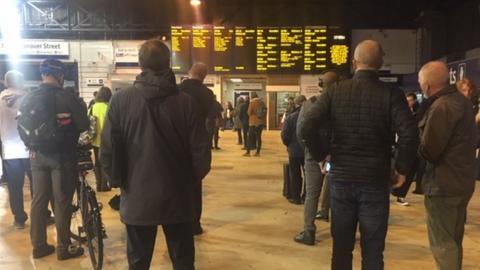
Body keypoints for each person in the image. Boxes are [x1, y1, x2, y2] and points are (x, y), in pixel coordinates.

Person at [299, 40, 418, 269]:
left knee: (341, 247)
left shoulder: (335, 92)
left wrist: (322, 156)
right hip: (375, 179)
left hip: (342, 178)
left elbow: (307, 127)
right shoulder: (391, 94)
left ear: (354, 63)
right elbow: (409, 134)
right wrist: (402, 169)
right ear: (380, 63)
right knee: (373, 248)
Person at [101, 40, 211, 270]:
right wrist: (190, 181)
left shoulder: (120, 101)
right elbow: (201, 153)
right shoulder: (186, 103)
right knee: (183, 261)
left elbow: (108, 149)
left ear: (141, 64)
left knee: (138, 261)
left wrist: (119, 182)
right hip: (178, 195)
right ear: (168, 63)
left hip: (137, 194)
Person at [24, 59, 89, 260]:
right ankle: (63, 247)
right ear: (60, 75)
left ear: (43, 75)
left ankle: (39, 246)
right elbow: (83, 124)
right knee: (62, 202)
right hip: (62, 156)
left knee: (38, 200)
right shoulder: (66, 96)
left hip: (36, 156)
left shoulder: (29, 97)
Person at [418, 61, 477, 270]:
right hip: (463, 182)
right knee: (454, 239)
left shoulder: (441, 106)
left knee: (442, 243)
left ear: (426, 85)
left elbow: (430, 150)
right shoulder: (462, 102)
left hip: (443, 185)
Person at [295, 71, 338, 245]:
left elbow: (301, 132)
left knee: (312, 193)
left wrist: (311, 152)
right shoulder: (341, 104)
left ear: (321, 84)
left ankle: (309, 231)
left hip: (313, 156)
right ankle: (337, 230)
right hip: (334, 157)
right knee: (336, 192)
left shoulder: (310, 104)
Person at [179, 62, 215, 236]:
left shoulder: (177, 90)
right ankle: (194, 225)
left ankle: (177, 222)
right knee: (195, 187)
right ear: (204, 76)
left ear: (189, 72)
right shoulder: (207, 94)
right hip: (197, 147)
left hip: (176, 146)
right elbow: (213, 119)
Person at [0, 71, 33, 229]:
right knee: (37, 184)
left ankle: (19, 218)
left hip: (9, 150)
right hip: (30, 148)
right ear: (21, 82)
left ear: (6, 83)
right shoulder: (29, 98)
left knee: (14, 186)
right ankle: (41, 214)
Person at [392, 92, 422, 206]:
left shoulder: (417, 114)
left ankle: (400, 195)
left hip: (409, 146)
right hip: (396, 145)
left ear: (414, 101)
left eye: (410, 100)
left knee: (407, 170)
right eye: (407, 100)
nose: (408, 102)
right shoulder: (397, 111)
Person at [281, 95, 307, 205]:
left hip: (294, 151)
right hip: (308, 151)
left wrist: (289, 145)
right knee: (308, 175)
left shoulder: (291, 117)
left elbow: (285, 135)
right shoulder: (311, 115)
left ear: (296, 104)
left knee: (295, 174)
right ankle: (306, 196)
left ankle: (295, 197)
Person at [91, 86, 112, 192]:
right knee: (105, 161)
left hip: (94, 140)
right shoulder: (107, 107)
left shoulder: (93, 107)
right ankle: (105, 184)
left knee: (97, 162)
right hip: (105, 139)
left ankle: (98, 184)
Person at [244, 92, 267, 157]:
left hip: (253, 123)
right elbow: (265, 112)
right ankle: (258, 152)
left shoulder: (252, 103)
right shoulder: (262, 102)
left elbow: (249, 112)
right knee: (259, 137)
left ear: (252, 96)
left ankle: (248, 152)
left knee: (250, 137)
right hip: (260, 122)